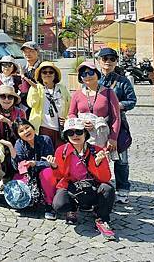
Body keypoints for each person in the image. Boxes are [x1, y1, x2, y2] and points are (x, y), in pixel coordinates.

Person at [51, 118, 116, 240]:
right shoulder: (61, 151)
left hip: (92, 187)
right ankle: (72, 209)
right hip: (72, 187)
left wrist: (97, 164)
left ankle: (101, 219)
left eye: (79, 132)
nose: (75, 135)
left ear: (85, 133)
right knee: (59, 205)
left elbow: (105, 178)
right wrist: (54, 167)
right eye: (70, 133)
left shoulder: (96, 150)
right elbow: (59, 177)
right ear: (66, 135)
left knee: (108, 188)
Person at [97, 47, 137, 204]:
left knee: (121, 158)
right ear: (99, 61)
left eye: (112, 59)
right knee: (97, 157)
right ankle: (99, 186)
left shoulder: (122, 81)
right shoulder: (93, 79)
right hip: (97, 125)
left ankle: (123, 189)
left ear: (116, 62)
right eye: (105, 58)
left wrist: (116, 105)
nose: (108, 62)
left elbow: (132, 101)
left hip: (117, 124)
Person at [69, 61, 120, 152]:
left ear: (97, 74)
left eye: (91, 72)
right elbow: (71, 114)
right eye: (84, 74)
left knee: (101, 163)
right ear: (81, 78)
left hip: (102, 136)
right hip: (82, 137)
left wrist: (113, 138)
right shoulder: (77, 94)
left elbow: (116, 118)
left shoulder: (109, 93)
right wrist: (81, 122)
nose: (88, 76)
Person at [11, 118, 57, 219]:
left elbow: (49, 163)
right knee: (17, 183)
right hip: (28, 175)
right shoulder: (19, 144)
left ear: (32, 127)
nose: (26, 131)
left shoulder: (45, 139)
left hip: (43, 173)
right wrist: (12, 153)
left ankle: (49, 205)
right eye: (21, 131)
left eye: (27, 128)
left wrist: (35, 163)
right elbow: (17, 167)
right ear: (18, 135)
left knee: (48, 173)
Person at [27, 62, 70, 148]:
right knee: (45, 157)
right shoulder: (36, 87)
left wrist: (67, 119)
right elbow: (32, 104)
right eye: (44, 72)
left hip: (60, 129)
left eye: (51, 72)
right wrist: (35, 89)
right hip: (43, 128)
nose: (47, 74)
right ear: (40, 75)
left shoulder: (62, 88)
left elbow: (69, 105)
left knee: (60, 157)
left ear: (55, 75)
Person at [0, 85, 26, 180]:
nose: (6, 99)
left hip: (15, 145)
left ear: (14, 99)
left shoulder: (20, 113)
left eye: (10, 97)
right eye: (3, 96)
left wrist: (8, 122)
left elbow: (23, 133)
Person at [20, 41, 42, 110]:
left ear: (37, 52)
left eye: (31, 51)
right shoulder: (23, 68)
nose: (27, 54)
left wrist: (24, 77)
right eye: (25, 52)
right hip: (24, 103)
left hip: (38, 102)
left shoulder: (42, 67)